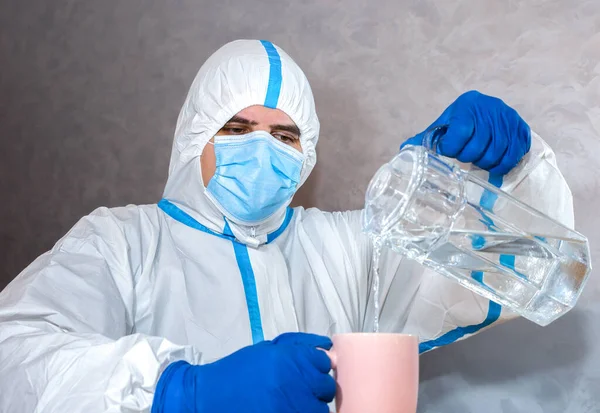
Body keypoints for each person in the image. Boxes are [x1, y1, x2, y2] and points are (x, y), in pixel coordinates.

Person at [0, 39, 574, 413]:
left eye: (284, 136)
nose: (261, 148)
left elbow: (522, 267)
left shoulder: (345, 248)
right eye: (237, 126)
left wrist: (509, 172)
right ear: (194, 135)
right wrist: (178, 392)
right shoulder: (122, 243)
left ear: (307, 156)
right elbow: (16, 360)